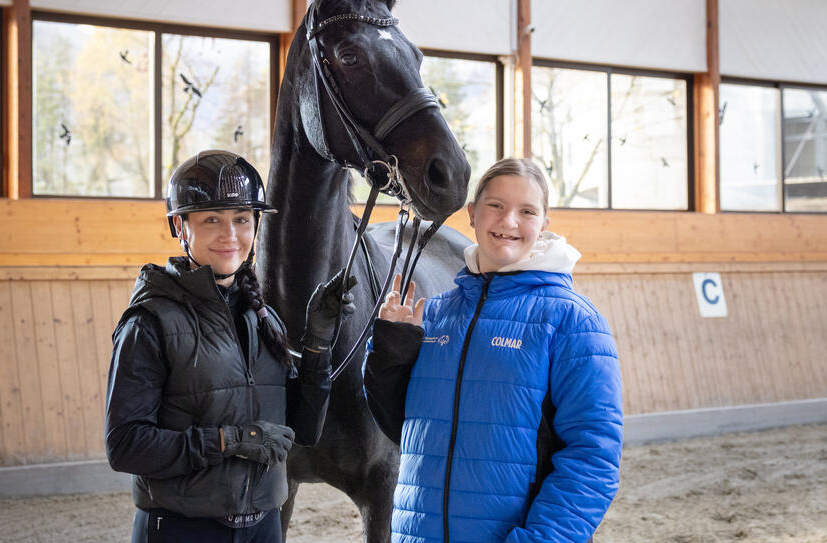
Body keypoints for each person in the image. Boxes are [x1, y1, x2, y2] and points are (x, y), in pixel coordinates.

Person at [363, 157, 623, 543]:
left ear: (545, 224)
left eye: (527, 211)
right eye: (496, 206)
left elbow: (593, 458)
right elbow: (404, 429)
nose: (509, 222)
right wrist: (391, 351)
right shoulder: (433, 314)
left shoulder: (571, 320)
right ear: (472, 214)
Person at [105, 150, 356, 543]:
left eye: (241, 219)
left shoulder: (263, 318)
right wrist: (230, 441)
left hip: (263, 526)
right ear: (179, 226)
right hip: (181, 528)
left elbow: (303, 430)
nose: (230, 235)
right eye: (211, 220)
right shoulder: (149, 323)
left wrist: (318, 345)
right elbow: (125, 446)